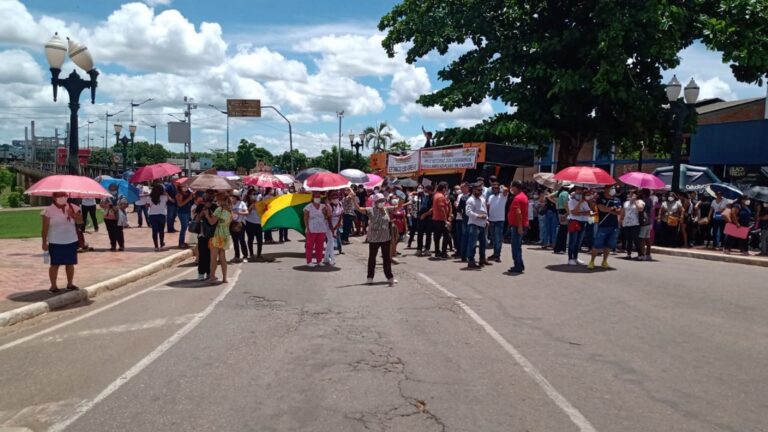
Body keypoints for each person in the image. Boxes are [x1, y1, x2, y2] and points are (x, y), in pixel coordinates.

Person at [355, 193, 401, 286]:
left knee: (387, 259)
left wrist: (402, 198)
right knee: (372, 258)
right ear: (375, 202)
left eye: (382, 201)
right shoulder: (370, 210)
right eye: (379, 201)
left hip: (385, 238)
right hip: (374, 239)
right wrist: (353, 199)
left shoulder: (387, 209)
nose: (381, 202)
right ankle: (370, 277)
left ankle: (389, 277)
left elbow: (397, 207)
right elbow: (359, 209)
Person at [42, 192, 83, 293]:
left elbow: (81, 221)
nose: (63, 198)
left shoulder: (73, 207)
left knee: (70, 264)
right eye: (60, 196)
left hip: (71, 239)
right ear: (54, 198)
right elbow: (45, 227)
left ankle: (70, 284)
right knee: (55, 264)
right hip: (55, 241)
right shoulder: (48, 210)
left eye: (65, 196)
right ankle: (53, 286)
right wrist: (44, 242)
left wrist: (72, 214)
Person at [200, 192, 232, 284]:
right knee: (223, 257)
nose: (216, 201)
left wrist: (206, 214)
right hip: (225, 234)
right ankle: (224, 278)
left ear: (221, 200)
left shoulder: (219, 209)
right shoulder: (229, 210)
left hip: (217, 234)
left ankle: (212, 276)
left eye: (217, 200)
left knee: (213, 257)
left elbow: (211, 222)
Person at [589, 185, 622, 269]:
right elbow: (602, 208)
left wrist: (610, 209)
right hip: (603, 225)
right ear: (606, 189)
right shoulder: (601, 199)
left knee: (609, 245)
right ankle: (592, 261)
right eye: (611, 188)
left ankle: (604, 261)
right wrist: (612, 209)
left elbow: (619, 212)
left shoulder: (617, 200)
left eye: (614, 188)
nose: (613, 190)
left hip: (614, 225)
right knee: (597, 244)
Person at [464, 182, 491, 269]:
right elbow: (468, 212)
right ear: (474, 190)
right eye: (479, 190)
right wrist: (478, 216)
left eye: (481, 190)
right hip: (474, 224)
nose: (480, 191)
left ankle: (482, 259)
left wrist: (486, 219)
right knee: (472, 244)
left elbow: (484, 210)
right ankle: (471, 261)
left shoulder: (482, 198)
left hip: (482, 224)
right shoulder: (470, 200)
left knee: (483, 243)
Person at [303, 192, 330, 267]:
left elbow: (327, 216)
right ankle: (309, 261)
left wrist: (327, 206)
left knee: (320, 246)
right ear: (313, 198)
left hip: (321, 228)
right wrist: (307, 228)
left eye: (318, 197)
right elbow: (305, 218)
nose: (317, 198)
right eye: (316, 196)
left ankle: (319, 261)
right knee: (310, 246)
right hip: (312, 228)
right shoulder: (308, 207)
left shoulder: (323, 206)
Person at [507, 181, 529, 273]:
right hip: (519, 225)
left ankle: (518, 266)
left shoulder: (517, 198)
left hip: (517, 226)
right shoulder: (523, 196)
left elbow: (519, 213)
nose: (511, 189)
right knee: (518, 247)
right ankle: (520, 264)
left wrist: (519, 227)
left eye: (512, 187)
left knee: (515, 247)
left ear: (516, 187)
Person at [567, 186, 592, 265]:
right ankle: (570, 258)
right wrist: (580, 205)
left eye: (580, 193)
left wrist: (580, 212)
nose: (579, 194)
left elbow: (589, 212)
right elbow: (573, 212)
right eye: (577, 193)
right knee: (573, 241)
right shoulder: (571, 201)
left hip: (583, 222)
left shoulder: (585, 202)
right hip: (574, 222)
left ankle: (576, 257)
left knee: (578, 242)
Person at [194, 195, 216, 280]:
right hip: (202, 234)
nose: (207, 202)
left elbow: (214, 221)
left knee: (211, 255)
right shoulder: (200, 207)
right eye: (206, 200)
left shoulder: (215, 207)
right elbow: (196, 220)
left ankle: (209, 272)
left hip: (212, 234)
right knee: (202, 254)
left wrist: (208, 214)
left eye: (209, 200)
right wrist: (202, 213)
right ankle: (201, 273)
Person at [427, 181, 452, 259]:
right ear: (444, 188)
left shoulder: (436, 195)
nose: (447, 189)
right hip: (441, 219)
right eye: (446, 188)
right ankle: (443, 252)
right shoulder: (441, 196)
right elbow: (442, 209)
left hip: (435, 219)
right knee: (446, 236)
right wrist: (445, 220)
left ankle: (437, 252)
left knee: (437, 236)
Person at [100, 184, 125, 251]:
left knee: (119, 232)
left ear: (116, 188)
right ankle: (113, 245)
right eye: (111, 187)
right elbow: (101, 205)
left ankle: (121, 245)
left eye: (113, 187)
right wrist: (107, 205)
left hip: (118, 217)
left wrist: (117, 207)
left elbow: (125, 204)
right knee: (110, 232)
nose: (112, 188)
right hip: (108, 218)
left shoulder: (121, 196)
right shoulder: (106, 196)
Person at [487, 182, 507, 262]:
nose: (495, 189)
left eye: (496, 188)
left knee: (498, 239)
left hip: (499, 220)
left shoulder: (502, 196)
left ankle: (498, 255)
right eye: (493, 188)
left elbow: (506, 190)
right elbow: (488, 207)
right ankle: (495, 253)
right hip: (492, 220)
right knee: (494, 239)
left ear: (499, 189)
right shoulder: (491, 197)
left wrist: (502, 186)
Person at [620, 190, 643, 260]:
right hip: (627, 223)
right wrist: (621, 220)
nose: (630, 195)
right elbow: (623, 212)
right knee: (628, 239)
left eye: (632, 194)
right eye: (629, 194)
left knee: (636, 239)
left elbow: (640, 209)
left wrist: (635, 202)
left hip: (635, 223)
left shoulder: (640, 202)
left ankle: (640, 254)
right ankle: (628, 254)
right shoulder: (626, 203)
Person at [244, 189, 264, 262]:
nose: (253, 196)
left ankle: (259, 254)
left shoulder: (260, 203)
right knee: (250, 239)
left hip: (258, 223)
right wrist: (251, 206)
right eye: (252, 194)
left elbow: (263, 212)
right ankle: (251, 254)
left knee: (260, 240)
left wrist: (260, 204)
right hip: (250, 223)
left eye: (255, 194)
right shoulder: (246, 203)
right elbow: (246, 213)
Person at [453, 182, 470, 260]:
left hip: (465, 219)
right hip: (458, 218)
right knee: (458, 236)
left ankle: (464, 252)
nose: (461, 189)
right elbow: (458, 206)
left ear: (467, 187)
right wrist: (456, 205)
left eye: (462, 187)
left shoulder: (470, 196)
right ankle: (458, 250)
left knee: (464, 236)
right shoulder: (460, 196)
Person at [326, 191, 344, 265]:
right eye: (333, 197)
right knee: (331, 242)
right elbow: (329, 219)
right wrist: (332, 230)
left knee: (330, 242)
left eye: (336, 197)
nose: (335, 198)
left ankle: (326, 258)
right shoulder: (329, 206)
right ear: (330, 198)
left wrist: (337, 226)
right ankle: (332, 259)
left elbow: (340, 215)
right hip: (328, 226)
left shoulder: (340, 204)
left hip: (336, 225)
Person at [230, 191, 249, 263]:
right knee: (235, 241)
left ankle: (245, 256)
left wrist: (238, 212)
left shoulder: (242, 203)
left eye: (233, 197)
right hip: (232, 223)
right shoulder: (230, 205)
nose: (232, 199)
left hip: (241, 224)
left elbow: (247, 213)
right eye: (231, 197)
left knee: (242, 240)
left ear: (236, 197)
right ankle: (237, 256)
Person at [416, 185, 434, 256]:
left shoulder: (432, 197)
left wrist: (425, 215)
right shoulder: (421, 195)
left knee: (428, 234)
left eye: (426, 190)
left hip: (428, 217)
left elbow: (432, 209)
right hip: (420, 216)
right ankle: (419, 249)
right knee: (419, 233)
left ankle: (427, 249)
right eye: (424, 190)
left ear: (430, 191)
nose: (425, 192)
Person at [175, 184, 194, 249]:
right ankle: (181, 243)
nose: (185, 187)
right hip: (182, 212)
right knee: (184, 227)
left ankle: (183, 241)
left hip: (188, 211)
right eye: (183, 186)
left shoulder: (189, 193)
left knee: (187, 226)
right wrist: (188, 199)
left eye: (186, 186)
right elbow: (180, 205)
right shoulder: (179, 194)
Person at [554, 185, 571, 254]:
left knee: (562, 230)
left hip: (560, 211)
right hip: (564, 212)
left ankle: (558, 248)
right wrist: (568, 212)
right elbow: (565, 204)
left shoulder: (560, 193)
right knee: (563, 231)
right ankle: (561, 248)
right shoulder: (565, 193)